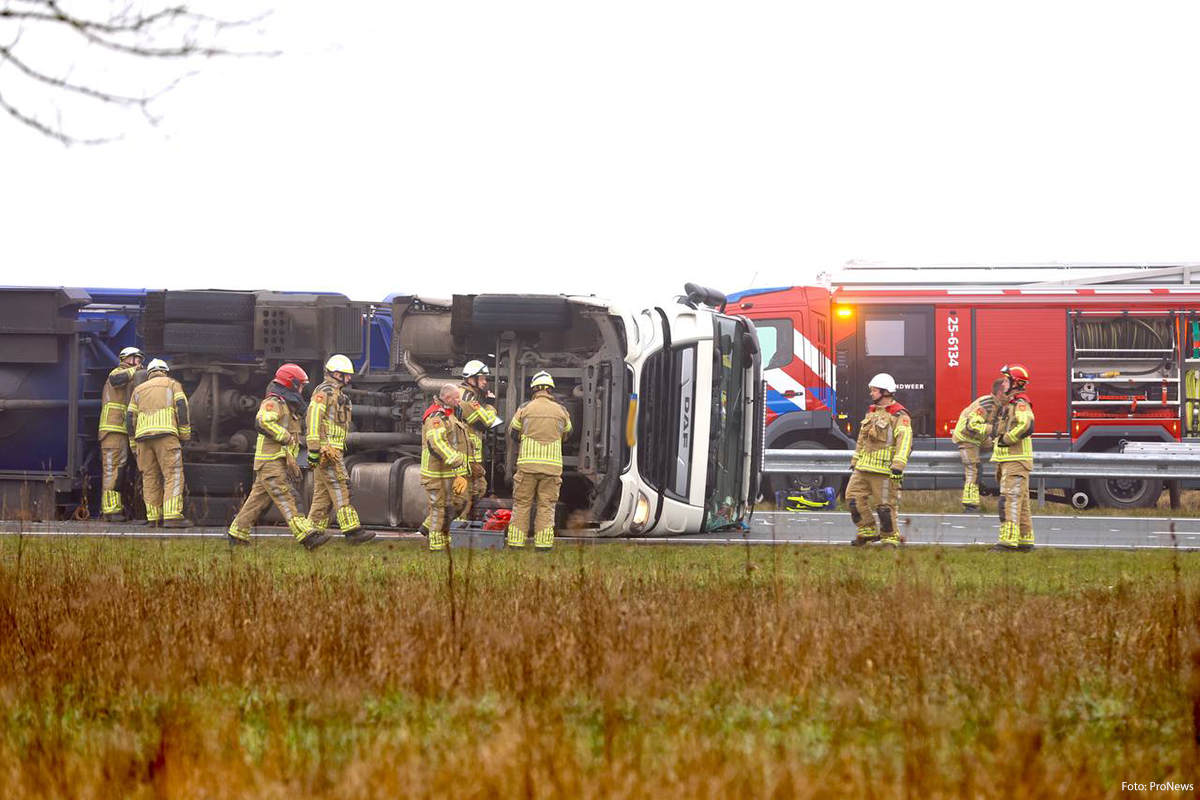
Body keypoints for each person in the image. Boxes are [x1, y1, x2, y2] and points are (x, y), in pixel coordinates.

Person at [228, 364, 331, 550]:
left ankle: (237, 533)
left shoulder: (288, 405)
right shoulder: (274, 402)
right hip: (270, 461)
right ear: (290, 383)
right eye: (300, 384)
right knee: (288, 497)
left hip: (275, 461)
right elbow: (262, 421)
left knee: (257, 500)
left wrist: (291, 460)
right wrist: (286, 437)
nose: (301, 388)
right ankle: (307, 536)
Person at [306, 354, 374, 545]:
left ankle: (311, 535)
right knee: (342, 488)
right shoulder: (324, 392)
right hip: (327, 452)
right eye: (346, 375)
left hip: (333, 450)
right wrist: (315, 449)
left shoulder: (336, 393)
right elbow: (313, 421)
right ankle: (352, 531)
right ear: (336, 374)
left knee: (322, 496)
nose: (349, 378)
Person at [506, 371, 572, 551]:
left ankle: (516, 544)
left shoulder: (524, 409)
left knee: (522, 504)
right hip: (552, 469)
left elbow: (513, 432)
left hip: (527, 467)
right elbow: (568, 433)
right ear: (550, 390)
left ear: (534, 389)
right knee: (546, 506)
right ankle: (543, 545)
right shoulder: (561, 411)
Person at [846, 373, 912, 546]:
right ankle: (866, 530)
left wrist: (898, 466)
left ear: (885, 392)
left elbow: (904, 441)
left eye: (874, 390)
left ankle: (889, 538)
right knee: (852, 498)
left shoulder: (899, 415)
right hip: (863, 468)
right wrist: (855, 460)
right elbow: (862, 439)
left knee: (885, 506)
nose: (871, 394)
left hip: (884, 470)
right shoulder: (872, 412)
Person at [126, 359, 192, 527]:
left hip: (142, 439)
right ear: (165, 371)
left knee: (149, 477)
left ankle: (153, 517)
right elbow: (182, 408)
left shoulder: (138, 390)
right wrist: (184, 436)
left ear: (149, 373)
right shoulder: (172, 384)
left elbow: (129, 419)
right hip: (166, 435)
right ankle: (172, 516)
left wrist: (133, 445)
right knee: (173, 474)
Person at [420, 383, 471, 551]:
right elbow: (437, 443)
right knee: (438, 510)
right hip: (435, 474)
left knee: (449, 508)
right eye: (457, 397)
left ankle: (439, 539)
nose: (460, 400)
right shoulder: (436, 417)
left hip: (446, 473)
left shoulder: (450, 415)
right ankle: (436, 546)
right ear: (447, 398)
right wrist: (457, 461)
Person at [991, 364, 1035, 552]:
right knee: (1021, 503)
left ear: (1015, 383)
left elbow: (1027, 424)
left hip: (1016, 460)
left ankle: (1007, 542)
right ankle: (1025, 542)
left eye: (1007, 380)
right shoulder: (1011, 403)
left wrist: (1007, 439)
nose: (1003, 384)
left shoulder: (1020, 403)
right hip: (1012, 460)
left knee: (1009, 501)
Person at [98, 346, 144, 521]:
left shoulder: (131, 378)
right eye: (135, 358)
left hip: (123, 430)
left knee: (121, 469)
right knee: (113, 468)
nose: (139, 362)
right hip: (112, 430)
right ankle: (110, 510)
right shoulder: (118, 373)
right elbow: (116, 379)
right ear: (126, 358)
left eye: (140, 359)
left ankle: (118, 508)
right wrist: (135, 371)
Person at [951, 378, 1007, 512]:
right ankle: (970, 506)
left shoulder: (999, 406)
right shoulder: (986, 404)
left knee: (997, 447)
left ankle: (980, 480)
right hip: (967, 437)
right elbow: (972, 425)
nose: (1011, 395)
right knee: (973, 469)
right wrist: (992, 430)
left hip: (980, 438)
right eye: (1008, 392)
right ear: (1000, 392)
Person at [457, 360, 502, 515]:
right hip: (465, 457)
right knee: (463, 497)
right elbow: (485, 422)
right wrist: (490, 405)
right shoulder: (468, 398)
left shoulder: (471, 396)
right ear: (471, 379)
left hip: (470, 456)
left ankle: (460, 528)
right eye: (482, 379)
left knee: (478, 489)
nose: (485, 382)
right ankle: (453, 531)